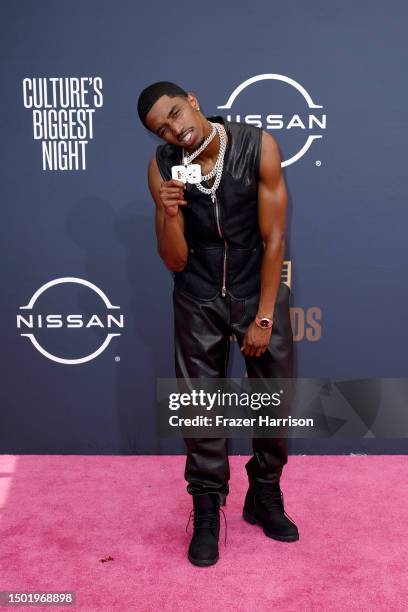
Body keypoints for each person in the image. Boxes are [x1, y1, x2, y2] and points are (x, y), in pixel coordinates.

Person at [137, 81, 299, 567]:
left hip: (257, 290)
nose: (174, 129)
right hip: (198, 296)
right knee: (198, 409)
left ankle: (264, 492)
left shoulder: (256, 145)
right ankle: (207, 508)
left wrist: (264, 316)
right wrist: (167, 212)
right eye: (161, 128)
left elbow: (274, 240)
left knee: (274, 400)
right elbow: (174, 258)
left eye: (174, 113)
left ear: (192, 100)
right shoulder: (162, 167)